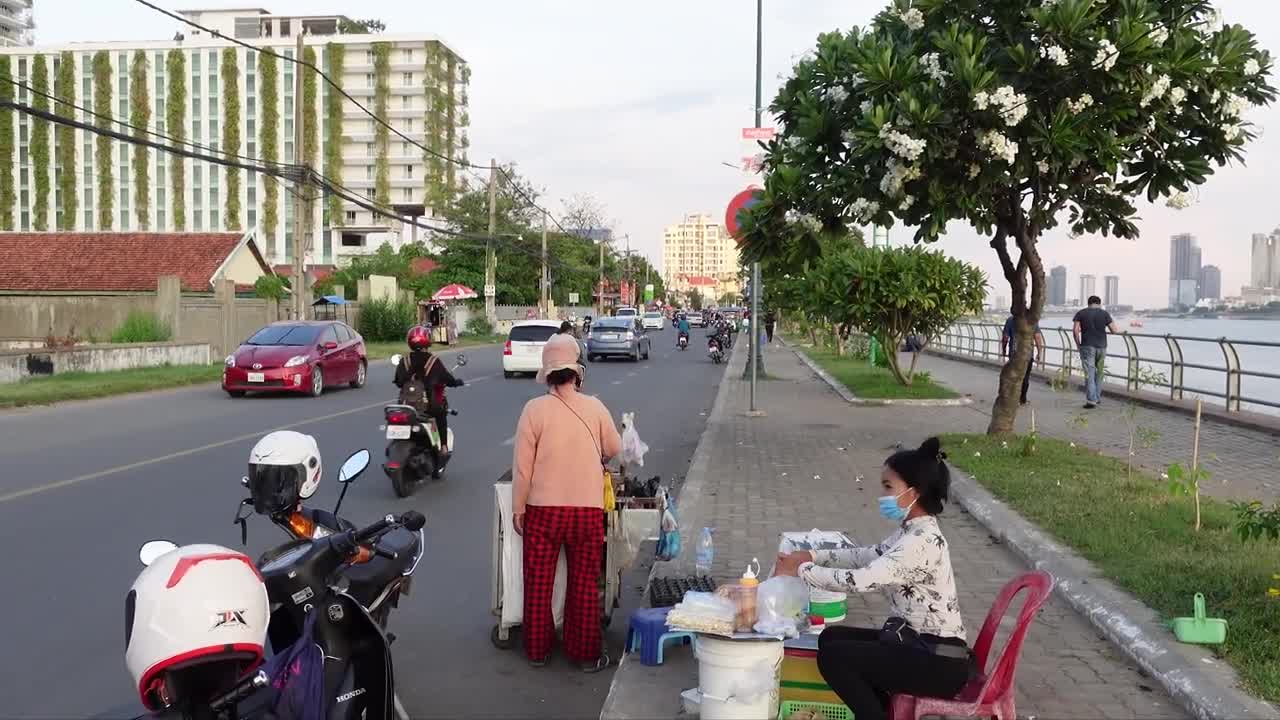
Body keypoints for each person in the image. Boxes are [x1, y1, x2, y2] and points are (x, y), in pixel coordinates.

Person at [774, 438, 973, 720]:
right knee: (831, 638)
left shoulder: (921, 541)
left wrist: (801, 570)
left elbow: (861, 580)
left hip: (937, 661)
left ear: (914, 492)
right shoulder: (912, 530)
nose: (882, 494)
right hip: (918, 644)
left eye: (888, 487)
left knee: (834, 658)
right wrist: (811, 555)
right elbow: (866, 556)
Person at [512, 333, 622, 673]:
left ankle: (537, 651)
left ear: (547, 374)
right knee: (584, 584)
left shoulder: (533, 410)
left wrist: (518, 508)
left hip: (543, 511)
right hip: (586, 512)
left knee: (539, 581)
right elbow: (615, 448)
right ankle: (585, 654)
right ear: (577, 372)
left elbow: (522, 467)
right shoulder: (595, 407)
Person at [394, 325, 464, 458]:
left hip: (406, 407)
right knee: (441, 413)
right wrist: (456, 382)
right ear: (427, 340)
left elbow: (398, 382)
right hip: (427, 407)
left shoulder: (405, 361)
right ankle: (443, 447)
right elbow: (447, 378)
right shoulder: (433, 361)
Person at [1072, 295, 1121, 409]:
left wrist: (1078, 345)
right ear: (1099, 303)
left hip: (1087, 346)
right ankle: (1097, 398)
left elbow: (1075, 331)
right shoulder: (1104, 314)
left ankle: (1091, 400)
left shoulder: (1081, 313)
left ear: (1088, 303)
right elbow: (1114, 330)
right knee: (1099, 373)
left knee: (1090, 373)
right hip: (1102, 347)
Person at [1001, 314, 1046, 406]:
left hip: (1014, 353)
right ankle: (1022, 399)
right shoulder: (1031, 320)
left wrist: (1004, 349)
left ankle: (1013, 399)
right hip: (1027, 354)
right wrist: (1039, 351)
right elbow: (1037, 336)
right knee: (1025, 377)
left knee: (1014, 376)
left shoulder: (1010, 320)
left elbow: (1005, 337)